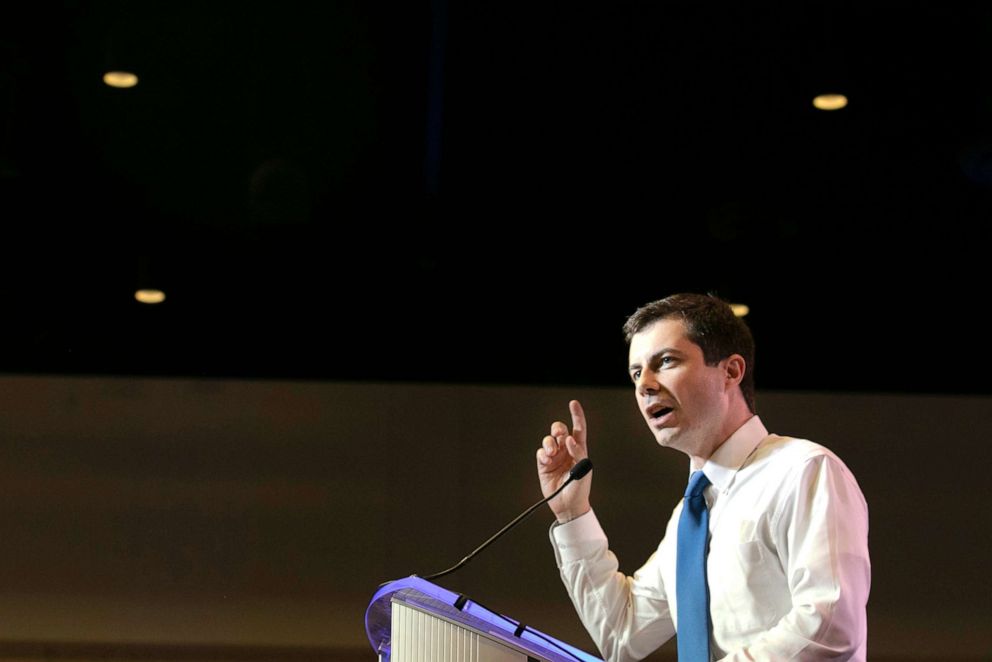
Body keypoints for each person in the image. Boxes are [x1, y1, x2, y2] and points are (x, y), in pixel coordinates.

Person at [535, 293, 870, 661]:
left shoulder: (802, 471)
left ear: (731, 371)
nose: (644, 385)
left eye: (665, 362)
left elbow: (830, 626)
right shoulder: (691, 516)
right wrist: (573, 513)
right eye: (635, 373)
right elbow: (621, 633)